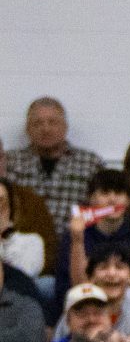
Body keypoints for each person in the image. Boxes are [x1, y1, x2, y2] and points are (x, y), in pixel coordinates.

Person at [6, 98, 100, 239]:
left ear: (65, 127)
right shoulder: (10, 162)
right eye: (37, 123)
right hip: (20, 249)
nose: (46, 129)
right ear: (27, 129)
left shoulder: (90, 163)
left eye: (53, 122)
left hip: (73, 246)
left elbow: (101, 210)